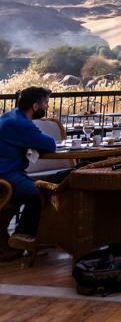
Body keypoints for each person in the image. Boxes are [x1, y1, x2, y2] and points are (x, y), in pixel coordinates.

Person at [0, 87, 59, 251]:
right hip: (6, 176)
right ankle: (23, 237)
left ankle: (25, 236)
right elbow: (50, 144)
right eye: (45, 103)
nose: (47, 107)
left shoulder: (11, 116)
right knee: (41, 194)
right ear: (35, 106)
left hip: (9, 172)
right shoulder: (20, 124)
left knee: (40, 189)